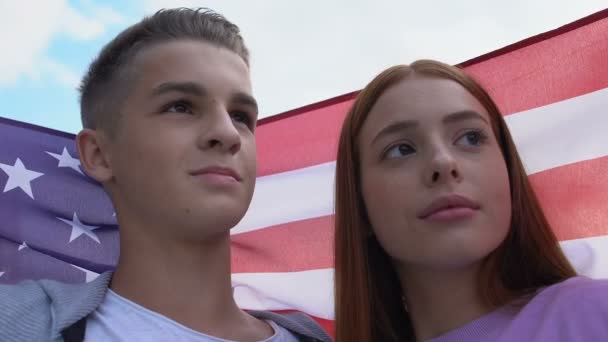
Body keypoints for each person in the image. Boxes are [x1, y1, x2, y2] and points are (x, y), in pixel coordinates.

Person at [0, 8, 331, 342]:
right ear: (99, 155)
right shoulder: (16, 323)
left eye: (241, 116)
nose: (228, 133)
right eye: (180, 106)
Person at [333, 59, 608, 341]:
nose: (443, 162)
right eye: (401, 150)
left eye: (471, 138)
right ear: (360, 206)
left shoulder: (597, 313)